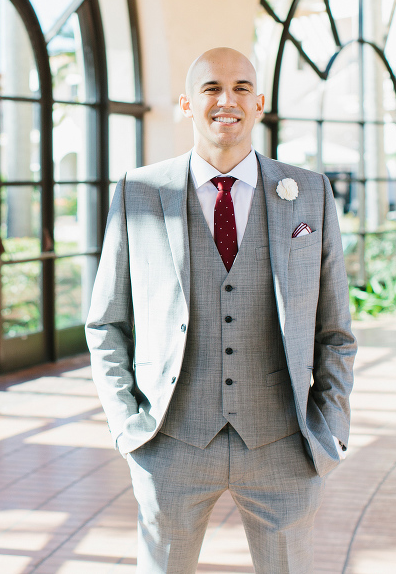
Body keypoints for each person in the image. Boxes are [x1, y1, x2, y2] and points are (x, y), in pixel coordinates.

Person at [86, 47, 357, 573]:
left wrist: (330, 425)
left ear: (259, 102)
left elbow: (335, 331)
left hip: (283, 444)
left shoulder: (310, 194)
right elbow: (107, 322)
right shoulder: (138, 192)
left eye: (239, 88)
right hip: (170, 442)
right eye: (211, 88)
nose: (225, 100)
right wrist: (126, 425)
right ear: (187, 104)